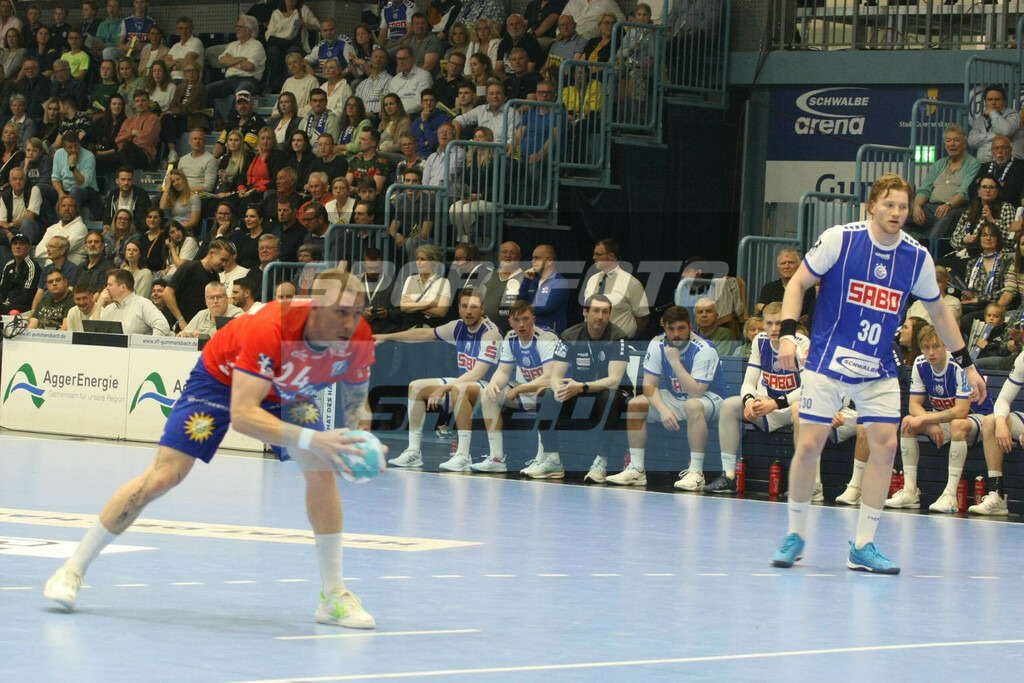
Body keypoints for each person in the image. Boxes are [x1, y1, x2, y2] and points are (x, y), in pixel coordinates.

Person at [44, 269, 381, 630]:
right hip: (221, 380)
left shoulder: (358, 338)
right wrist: (315, 439)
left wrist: (355, 440)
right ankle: (72, 569)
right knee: (163, 477)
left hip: (290, 392)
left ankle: (333, 598)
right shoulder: (271, 327)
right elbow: (244, 416)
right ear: (314, 308)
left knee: (321, 473)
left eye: (356, 313)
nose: (349, 323)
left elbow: (356, 407)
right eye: (340, 313)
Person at [772, 173, 986, 574]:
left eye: (903, 206)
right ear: (872, 205)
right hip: (829, 360)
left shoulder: (916, 256)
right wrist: (787, 334)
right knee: (809, 444)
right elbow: (798, 282)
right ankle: (795, 533)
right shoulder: (841, 238)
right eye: (889, 204)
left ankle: (864, 544)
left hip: (877, 366)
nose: (897, 212)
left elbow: (939, 312)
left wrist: (967, 363)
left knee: (886, 444)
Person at [606, 305, 729, 488]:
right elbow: (649, 385)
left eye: (681, 328)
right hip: (677, 398)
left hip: (713, 399)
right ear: (665, 328)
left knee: (693, 405)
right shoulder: (657, 343)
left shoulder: (705, 348)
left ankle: (696, 473)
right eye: (671, 329)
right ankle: (636, 470)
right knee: (636, 404)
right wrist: (663, 410)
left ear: (690, 326)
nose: (676, 334)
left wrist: (674, 362)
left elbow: (696, 392)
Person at [379, 286, 503, 467]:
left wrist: (444, 388)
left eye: (474, 307)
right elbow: (423, 333)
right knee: (416, 386)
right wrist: (386, 337)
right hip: (465, 385)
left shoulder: (490, 333)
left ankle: (463, 455)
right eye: (464, 306)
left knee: (459, 388)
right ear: (459, 308)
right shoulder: (458, 327)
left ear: (482, 309)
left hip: (490, 388)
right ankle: (413, 452)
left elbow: (478, 373)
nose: (468, 311)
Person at [888, 324, 995, 511]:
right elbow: (914, 405)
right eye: (926, 347)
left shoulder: (960, 366)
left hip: (980, 419)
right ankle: (910, 491)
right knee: (908, 423)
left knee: (957, 424)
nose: (931, 352)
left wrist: (931, 419)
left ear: (946, 346)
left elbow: (961, 411)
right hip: (947, 420)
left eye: (936, 346)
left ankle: (950, 496)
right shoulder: (920, 364)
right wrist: (933, 420)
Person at [708, 302, 809, 493]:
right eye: (769, 323)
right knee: (729, 405)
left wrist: (775, 403)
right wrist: (748, 401)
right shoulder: (760, 341)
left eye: (779, 323)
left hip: (790, 408)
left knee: (801, 409)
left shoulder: (802, 343)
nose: (774, 329)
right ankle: (728, 476)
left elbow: (808, 388)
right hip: (765, 407)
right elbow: (749, 381)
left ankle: (802, 482)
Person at [540, 293, 632, 481]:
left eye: (605, 312)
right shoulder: (570, 335)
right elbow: (555, 376)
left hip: (611, 395)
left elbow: (614, 381)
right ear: (585, 312)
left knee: (610, 397)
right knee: (546, 395)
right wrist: (559, 389)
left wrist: (582, 386)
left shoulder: (618, 337)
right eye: (596, 311)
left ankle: (601, 463)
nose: (600, 316)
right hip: (581, 393)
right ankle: (552, 460)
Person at [464, 301, 560, 473]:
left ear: (534, 319)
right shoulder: (511, 337)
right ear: (510, 321)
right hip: (527, 390)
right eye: (516, 320)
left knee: (543, 393)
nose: (521, 324)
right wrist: (494, 383)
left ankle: (542, 459)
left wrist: (518, 390)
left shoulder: (546, 338)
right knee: (488, 394)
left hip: (556, 394)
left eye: (525, 319)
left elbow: (549, 378)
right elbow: (502, 371)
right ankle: (496, 458)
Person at [912, 125, 980, 241]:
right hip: (931, 206)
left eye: (956, 140)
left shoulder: (972, 164)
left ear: (964, 143)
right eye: (948, 141)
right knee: (905, 216)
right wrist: (917, 206)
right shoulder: (938, 164)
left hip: (955, 207)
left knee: (943, 217)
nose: (952, 144)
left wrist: (948, 204)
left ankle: (930, 252)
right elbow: (925, 189)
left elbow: (964, 192)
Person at [582, 238, 649, 340]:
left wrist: (627, 339)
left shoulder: (631, 283)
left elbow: (643, 318)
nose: (594, 257)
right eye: (594, 254)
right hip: (590, 342)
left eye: (598, 254)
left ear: (612, 256)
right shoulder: (592, 280)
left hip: (618, 344)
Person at [208, 16, 266, 124]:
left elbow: (249, 66)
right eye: (237, 26)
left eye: (240, 27)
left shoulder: (257, 46)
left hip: (248, 80)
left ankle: (231, 124)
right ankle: (211, 123)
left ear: (249, 29)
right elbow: (222, 60)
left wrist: (232, 63)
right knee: (206, 90)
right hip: (229, 80)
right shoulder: (233, 45)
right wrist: (240, 59)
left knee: (241, 91)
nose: (237, 29)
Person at [162, 238, 231, 330]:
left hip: (195, 327)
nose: (224, 264)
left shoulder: (215, 276)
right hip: (174, 324)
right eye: (222, 259)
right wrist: (181, 320)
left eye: (226, 261)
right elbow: (167, 293)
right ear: (212, 253)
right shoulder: (189, 268)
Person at [92, 267, 169, 335]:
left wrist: (148, 346)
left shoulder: (142, 304)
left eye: (110, 285)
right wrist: (98, 305)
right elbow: (93, 332)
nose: (106, 288)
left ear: (122, 287)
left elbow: (162, 325)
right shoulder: (109, 309)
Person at [160, 65, 206, 164]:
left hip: (192, 119)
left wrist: (177, 109)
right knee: (166, 119)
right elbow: (173, 104)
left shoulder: (201, 88)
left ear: (199, 73)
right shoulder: (180, 86)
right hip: (180, 116)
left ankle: (169, 154)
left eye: (194, 70)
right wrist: (177, 109)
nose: (191, 73)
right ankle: (171, 151)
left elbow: (190, 106)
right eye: (188, 71)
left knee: (168, 119)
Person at [519, 243, 568, 334]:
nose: (533, 261)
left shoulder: (560, 282)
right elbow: (521, 300)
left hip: (551, 335)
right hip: (531, 333)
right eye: (532, 258)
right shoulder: (533, 281)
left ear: (550, 261)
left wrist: (523, 309)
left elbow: (545, 307)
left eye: (537, 258)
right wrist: (527, 281)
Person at [968, 84, 1023, 164]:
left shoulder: (1013, 115)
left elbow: (1005, 131)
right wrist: (993, 136)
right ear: (985, 102)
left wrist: (993, 113)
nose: (993, 102)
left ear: (1004, 101)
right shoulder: (981, 119)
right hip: (985, 164)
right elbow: (971, 141)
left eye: (997, 99)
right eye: (990, 99)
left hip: (1011, 164)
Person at [479, 240, 523, 335]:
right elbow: (478, 300)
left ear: (519, 257)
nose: (508, 255)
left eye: (512, 252)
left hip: (510, 334)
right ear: (499, 255)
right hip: (484, 332)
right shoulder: (490, 275)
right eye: (504, 252)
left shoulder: (524, 279)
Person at [972, 135, 1023, 208]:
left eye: (1004, 147)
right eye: (996, 148)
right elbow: (972, 189)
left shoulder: (1020, 166)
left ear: (1010, 150)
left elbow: (1012, 192)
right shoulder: (985, 167)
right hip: (982, 206)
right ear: (992, 151)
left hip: (1006, 208)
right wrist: (999, 186)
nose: (1000, 151)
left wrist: (984, 188)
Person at [178, 280, 242, 338]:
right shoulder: (201, 314)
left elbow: (234, 340)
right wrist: (185, 335)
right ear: (206, 300)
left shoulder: (238, 315)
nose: (215, 301)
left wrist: (206, 337)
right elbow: (187, 333)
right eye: (211, 297)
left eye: (219, 297)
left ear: (226, 298)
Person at [35, 195, 87, 265]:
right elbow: (38, 251)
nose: (66, 209)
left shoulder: (80, 228)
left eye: (70, 206)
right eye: (63, 206)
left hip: (71, 272)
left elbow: (65, 249)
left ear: (76, 209)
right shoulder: (51, 229)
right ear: (58, 209)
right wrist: (58, 249)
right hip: (50, 271)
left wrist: (50, 248)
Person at [52, 136, 98, 214]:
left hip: (85, 191)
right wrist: (61, 193)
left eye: (76, 146)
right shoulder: (59, 154)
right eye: (70, 147)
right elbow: (55, 178)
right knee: (41, 189)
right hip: (64, 189)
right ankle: (47, 220)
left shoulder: (89, 156)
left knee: (75, 191)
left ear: (79, 144)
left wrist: (73, 167)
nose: (74, 150)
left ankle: (71, 220)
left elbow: (83, 184)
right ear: (64, 148)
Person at [101, 166, 151, 235]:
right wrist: (106, 227)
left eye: (129, 179)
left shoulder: (141, 194)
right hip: (115, 232)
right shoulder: (113, 194)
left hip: (135, 232)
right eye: (123, 179)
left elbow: (141, 221)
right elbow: (107, 217)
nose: (126, 183)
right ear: (117, 181)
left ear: (133, 181)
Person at [0, 167, 42, 245]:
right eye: (14, 179)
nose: (18, 182)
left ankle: (25, 253)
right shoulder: (5, 196)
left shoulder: (34, 189)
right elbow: (2, 223)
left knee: (26, 222)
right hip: (12, 230)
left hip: (31, 228)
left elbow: (30, 216)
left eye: (20, 179)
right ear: (10, 181)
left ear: (25, 180)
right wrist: (9, 235)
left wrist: (11, 224)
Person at [0, 234, 40, 315]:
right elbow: (2, 289)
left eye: (22, 244)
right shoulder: (8, 265)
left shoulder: (32, 266)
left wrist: (8, 301)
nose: (18, 247)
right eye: (15, 244)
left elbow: (27, 294)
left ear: (28, 248)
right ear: (11, 247)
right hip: (7, 304)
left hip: (24, 306)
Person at [543, 15, 587, 81]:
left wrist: (560, 78)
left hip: (567, 78)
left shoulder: (581, 40)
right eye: (562, 25)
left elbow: (574, 64)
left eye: (568, 24)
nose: (565, 27)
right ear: (559, 28)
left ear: (574, 25)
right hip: (551, 78)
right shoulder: (555, 44)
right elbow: (546, 65)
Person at [159, 169, 200, 235]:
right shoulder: (173, 197)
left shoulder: (194, 197)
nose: (176, 183)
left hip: (185, 231)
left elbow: (194, 222)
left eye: (178, 179)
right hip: (171, 230)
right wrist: (167, 188)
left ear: (184, 179)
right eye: (173, 182)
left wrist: (177, 228)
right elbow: (162, 207)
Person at [177, 129, 217, 196]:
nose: (197, 141)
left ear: (205, 142)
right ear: (189, 141)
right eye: (195, 139)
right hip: (181, 193)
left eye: (200, 139)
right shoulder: (183, 159)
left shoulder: (210, 160)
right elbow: (177, 179)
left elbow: (208, 186)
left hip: (198, 195)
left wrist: (187, 191)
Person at [354, 48, 391, 118]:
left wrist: (371, 113)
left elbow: (385, 104)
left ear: (386, 62)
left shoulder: (390, 81)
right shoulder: (362, 84)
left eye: (382, 57)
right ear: (370, 61)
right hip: (360, 117)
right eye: (376, 57)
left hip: (376, 117)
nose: (378, 59)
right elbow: (356, 104)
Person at [165, 16, 203, 82]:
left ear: (192, 29)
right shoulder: (175, 46)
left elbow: (187, 63)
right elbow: (165, 63)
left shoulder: (196, 42)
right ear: (177, 29)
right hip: (170, 79)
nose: (183, 31)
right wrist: (177, 62)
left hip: (187, 80)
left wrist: (172, 65)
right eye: (181, 28)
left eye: (186, 28)